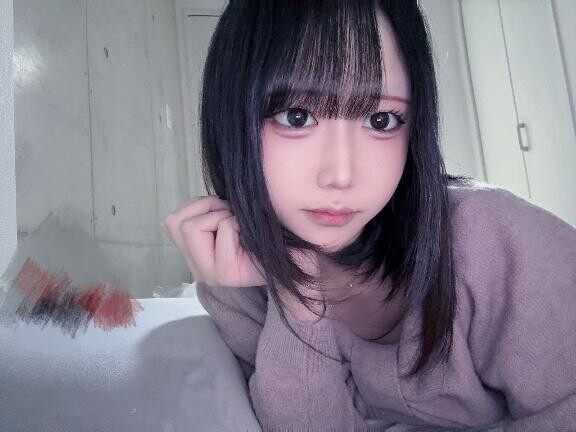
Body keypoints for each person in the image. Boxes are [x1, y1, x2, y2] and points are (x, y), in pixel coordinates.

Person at [161, 0, 576, 430]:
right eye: (296, 117)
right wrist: (298, 295)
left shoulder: (500, 241)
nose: (341, 175)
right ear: (232, 119)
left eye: (381, 120)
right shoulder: (237, 278)